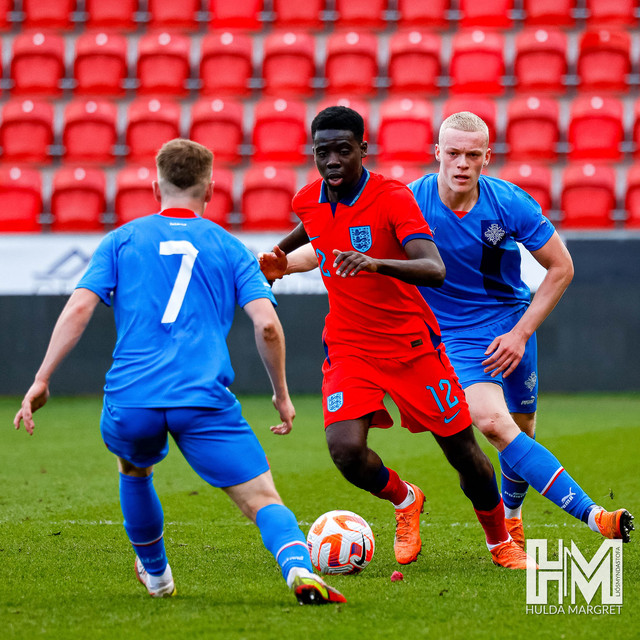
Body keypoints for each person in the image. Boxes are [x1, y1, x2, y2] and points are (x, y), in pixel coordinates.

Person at [13, 138, 346, 606]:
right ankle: (298, 570)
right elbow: (267, 325)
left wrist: (42, 378)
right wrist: (282, 393)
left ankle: (157, 575)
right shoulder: (230, 247)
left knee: (134, 470)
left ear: (156, 188)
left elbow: (79, 308)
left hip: (132, 397)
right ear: (209, 190)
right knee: (261, 499)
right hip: (201, 396)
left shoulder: (121, 240)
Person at [259, 106, 535, 570]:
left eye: (343, 150)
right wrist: (279, 257)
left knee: (463, 453)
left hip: (412, 347)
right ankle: (406, 499)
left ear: (362, 149)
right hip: (349, 347)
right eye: (323, 152)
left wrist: (374, 264)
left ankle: (499, 541)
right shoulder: (307, 198)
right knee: (346, 451)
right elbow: (314, 224)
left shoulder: (392, 197)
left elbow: (434, 268)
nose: (332, 161)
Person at [406, 112, 633, 546]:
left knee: (522, 428)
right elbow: (342, 243)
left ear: (487, 157)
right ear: (437, 153)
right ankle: (595, 517)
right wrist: (287, 263)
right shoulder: (410, 201)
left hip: (512, 326)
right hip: (455, 336)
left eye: (473, 155)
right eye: (453, 153)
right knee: (493, 422)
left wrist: (520, 334)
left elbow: (561, 267)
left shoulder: (509, 202)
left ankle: (512, 517)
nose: (462, 164)